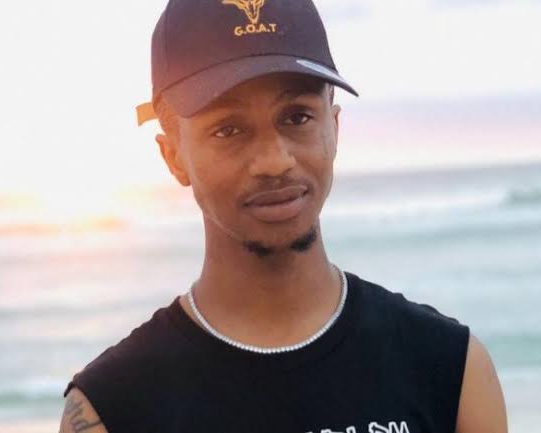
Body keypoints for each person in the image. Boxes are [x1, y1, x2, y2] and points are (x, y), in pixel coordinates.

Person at [59, 0, 508, 432]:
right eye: (228, 129)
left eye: (297, 117)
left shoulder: (449, 370)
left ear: (334, 128)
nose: (274, 161)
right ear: (173, 156)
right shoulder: (114, 409)